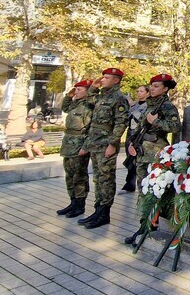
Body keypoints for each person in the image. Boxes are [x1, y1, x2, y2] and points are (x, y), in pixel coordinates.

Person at [123, 74, 182, 244]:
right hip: (141, 152)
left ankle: (151, 224)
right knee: (143, 191)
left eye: (156, 86)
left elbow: (175, 126)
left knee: (153, 191)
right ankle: (144, 225)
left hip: (155, 155)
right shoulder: (149, 105)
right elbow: (138, 127)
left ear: (165, 89)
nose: (152, 89)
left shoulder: (167, 106)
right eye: (152, 86)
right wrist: (132, 144)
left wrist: (156, 122)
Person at [78, 68, 130, 230]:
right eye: (103, 77)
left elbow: (121, 123)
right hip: (95, 143)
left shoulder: (119, 98)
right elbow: (87, 102)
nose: (103, 80)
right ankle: (97, 210)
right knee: (98, 178)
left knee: (106, 179)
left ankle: (104, 213)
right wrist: (93, 87)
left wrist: (113, 144)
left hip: (106, 144)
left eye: (107, 77)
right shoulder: (102, 96)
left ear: (116, 80)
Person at [56, 79, 96, 218]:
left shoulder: (90, 105)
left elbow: (92, 129)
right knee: (69, 175)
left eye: (79, 89)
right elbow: (65, 107)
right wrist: (69, 95)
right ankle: (72, 202)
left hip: (80, 143)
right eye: (76, 89)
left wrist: (85, 146)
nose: (76, 92)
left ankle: (80, 205)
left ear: (87, 90)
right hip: (68, 143)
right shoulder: (76, 103)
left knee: (79, 176)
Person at [121, 86, 149, 193]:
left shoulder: (148, 106)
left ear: (147, 93)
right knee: (130, 160)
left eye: (141, 91)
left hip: (140, 135)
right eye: (137, 91)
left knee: (139, 161)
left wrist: (132, 106)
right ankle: (130, 184)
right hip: (131, 133)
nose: (138, 93)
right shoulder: (136, 104)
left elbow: (139, 118)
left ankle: (142, 185)